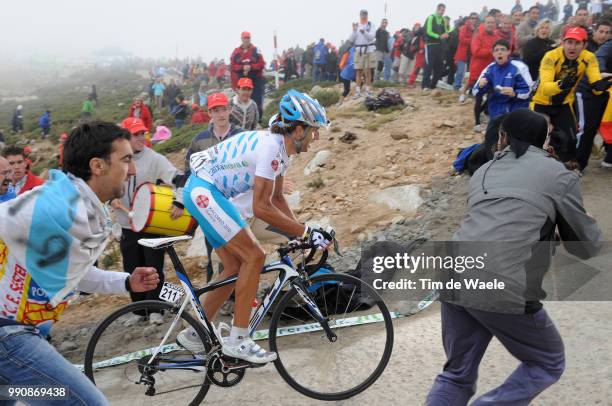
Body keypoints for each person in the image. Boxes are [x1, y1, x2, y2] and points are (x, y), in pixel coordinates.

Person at [426, 109, 602, 405]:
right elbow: (584, 246)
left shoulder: (483, 172)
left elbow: (502, 223)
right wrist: (587, 223)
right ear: (543, 140)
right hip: (502, 282)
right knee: (548, 361)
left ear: (503, 137)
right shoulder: (559, 175)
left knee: (457, 374)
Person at [0, 121, 160, 405]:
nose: (132, 170)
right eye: (125, 160)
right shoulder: (57, 203)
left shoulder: (82, 207)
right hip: (9, 337)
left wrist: (125, 281)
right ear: (97, 165)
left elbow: (68, 271)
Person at [178, 90, 334, 364]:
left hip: (204, 191)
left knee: (235, 266)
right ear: (297, 129)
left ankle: (194, 333)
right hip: (205, 192)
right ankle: (239, 340)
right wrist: (305, 232)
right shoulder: (272, 148)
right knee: (255, 255)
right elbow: (261, 207)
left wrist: (298, 230)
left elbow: (276, 198)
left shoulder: (281, 148)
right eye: (313, 131)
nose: (315, 137)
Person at [110, 117, 184, 326]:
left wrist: (180, 202)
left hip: (151, 225)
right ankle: (138, 310)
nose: (141, 138)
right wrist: (111, 197)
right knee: (131, 267)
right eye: (136, 134)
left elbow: (179, 179)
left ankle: (156, 309)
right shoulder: (115, 158)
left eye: (143, 133)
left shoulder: (155, 159)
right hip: (126, 225)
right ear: (124, 137)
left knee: (153, 268)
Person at [531, 26, 612, 166]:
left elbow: (595, 82)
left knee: (571, 139)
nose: (572, 47)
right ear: (563, 42)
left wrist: (601, 86)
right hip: (541, 103)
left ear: (584, 45)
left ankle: (563, 168)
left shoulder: (589, 57)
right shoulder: (551, 57)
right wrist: (561, 84)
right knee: (539, 138)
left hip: (564, 104)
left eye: (577, 43)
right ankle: (535, 166)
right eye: (569, 42)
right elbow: (545, 88)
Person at [575, 35, 612, 172]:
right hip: (588, 90)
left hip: (605, 91)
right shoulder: (609, 46)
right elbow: (600, 57)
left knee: (595, 128)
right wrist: (601, 73)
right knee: (585, 128)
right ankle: (576, 163)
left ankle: (583, 162)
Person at [472, 39, 533, 122]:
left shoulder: (519, 67)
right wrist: (481, 86)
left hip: (516, 114)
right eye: (496, 50)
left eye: (502, 49)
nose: (499, 52)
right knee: (492, 135)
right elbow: (475, 91)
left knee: (513, 134)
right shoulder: (489, 69)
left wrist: (515, 94)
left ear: (508, 52)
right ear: (493, 54)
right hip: (496, 114)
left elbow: (529, 91)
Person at [470, 16, 502, 132]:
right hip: (478, 71)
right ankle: (477, 122)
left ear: (495, 25)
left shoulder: (497, 37)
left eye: (492, 23)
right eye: (488, 22)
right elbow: (476, 52)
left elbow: (501, 52)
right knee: (478, 98)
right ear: (484, 23)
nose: (490, 24)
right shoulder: (478, 36)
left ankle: (483, 112)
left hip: (493, 72)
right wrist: (492, 51)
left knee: (492, 96)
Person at [230, 32, 266, 119]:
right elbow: (232, 66)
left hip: (256, 79)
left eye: (248, 38)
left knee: (257, 99)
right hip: (242, 79)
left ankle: (258, 119)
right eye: (245, 38)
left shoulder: (256, 50)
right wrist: (243, 67)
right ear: (241, 39)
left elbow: (261, 64)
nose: (246, 39)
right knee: (242, 99)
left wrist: (251, 67)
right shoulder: (236, 52)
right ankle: (243, 118)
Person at [422, 3, 450, 91]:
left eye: (444, 10)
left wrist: (447, 34)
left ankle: (432, 85)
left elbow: (445, 31)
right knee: (428, 66)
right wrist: (439, 36)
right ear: (437, 9)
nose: (442, 12)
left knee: (439, 66)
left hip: (439, 46)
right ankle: (425, 86)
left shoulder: (442, 20)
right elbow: (428, 31)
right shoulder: (431, 17)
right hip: (430, 44)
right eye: (441, 10)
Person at [349, 9, 377, 98]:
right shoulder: (357, 25)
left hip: (368, 49)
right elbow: (351, 39)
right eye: (362, 14)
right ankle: (358, 91)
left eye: (365, 14)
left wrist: (364, 32)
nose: (363, 16)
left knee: (368, 71)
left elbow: (372, 37)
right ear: (360, 15)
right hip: (358, 50)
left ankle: (367, 90)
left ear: (367, 15)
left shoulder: (371, 25)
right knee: (358, 71)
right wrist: (354, 31)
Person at [455, 14, 478, 95]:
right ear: (469, 19)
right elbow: (461, 39)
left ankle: (465, 87)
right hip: (462, 52)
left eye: (476, 18)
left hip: (471, 53)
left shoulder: (475, 29)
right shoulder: (464, 27)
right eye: (473, 18)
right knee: (460, 71)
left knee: (469, 72)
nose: (474, 19)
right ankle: (457, 86)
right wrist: (472, 40)